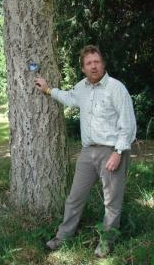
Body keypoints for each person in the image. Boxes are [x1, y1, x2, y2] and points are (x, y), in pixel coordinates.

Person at [35, 45, 136, 257]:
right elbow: (69, 98)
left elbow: (128, 124)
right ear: (83, 68)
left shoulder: (116, 88)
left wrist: (118, 152)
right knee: (74, 197)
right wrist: (47, 89)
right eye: (89, 63)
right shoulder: (81, 87)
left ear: (103, 64)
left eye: (96, 62)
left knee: (112, 201)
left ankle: (106, 242)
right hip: (87, 152)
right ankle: (63, 237)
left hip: (112, 150)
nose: (93, 66)